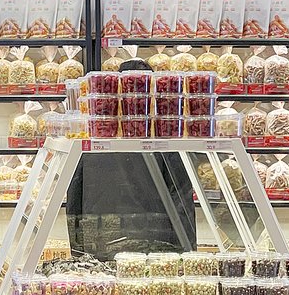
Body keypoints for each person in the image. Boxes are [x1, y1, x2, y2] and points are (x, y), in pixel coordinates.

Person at [66, 59, 196, 258]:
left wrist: (78, 253)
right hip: (153, 251)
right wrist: (187, 252)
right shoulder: (165, 140)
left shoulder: (93, 136)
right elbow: (182, 201)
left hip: (101, 247)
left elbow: (74, 197)